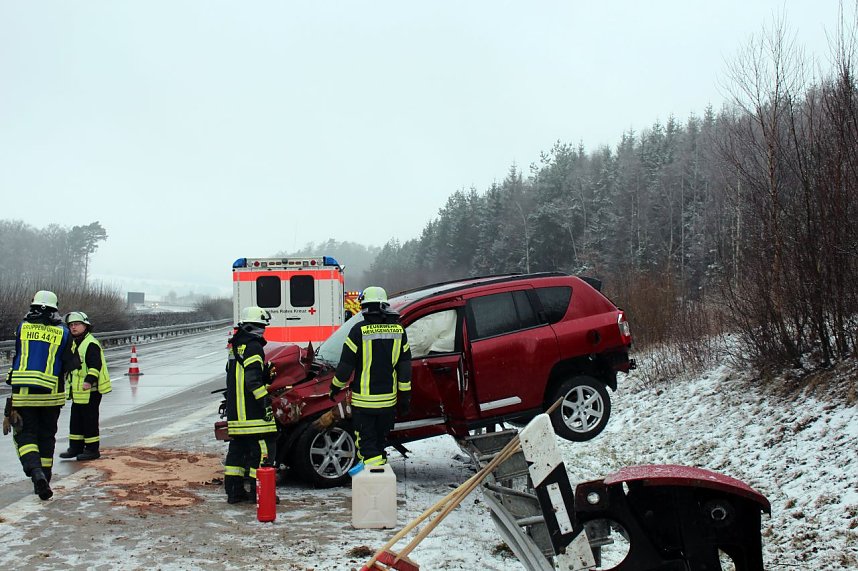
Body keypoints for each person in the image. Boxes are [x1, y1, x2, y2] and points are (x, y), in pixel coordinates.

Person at [328, 286, 412, 473]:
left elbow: (345, 366)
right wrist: (405, 396)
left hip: (364, 403)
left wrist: (335, 387)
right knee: (379, 442)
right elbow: (405, 366)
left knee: (367, 445)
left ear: (365, 307)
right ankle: (378, 474)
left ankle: (373, 484)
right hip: (388, 403)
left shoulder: (358, 330)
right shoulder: (399, 331)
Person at [4, 290, 73, 500]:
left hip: (24, 394)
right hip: (52, 396)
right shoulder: (63, 333)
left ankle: (36, 474)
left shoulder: (22, 328)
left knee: (25, 436)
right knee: (46, 437)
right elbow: (68, 363)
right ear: (55, 310)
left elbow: (20, 357)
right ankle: (46, 477)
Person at [223, 306, 277, 504]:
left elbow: (236, 375)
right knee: (262, 451)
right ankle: (259, 493)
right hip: (253, 414)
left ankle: (234, 493)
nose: (264, 331)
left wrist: (264, 373)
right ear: (258, 326)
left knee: (237, 453)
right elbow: (252, 381)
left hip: (236, 413)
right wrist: (264, 400)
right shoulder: (254, 346)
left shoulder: (235, 346)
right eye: (263, 327)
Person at [59, 311, 112, 461]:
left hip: (91, 391)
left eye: (76, 324)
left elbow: (95, 366)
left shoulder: (91, 343)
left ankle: (92, 450)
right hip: (78, 391)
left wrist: (89, 381)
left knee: (89, 420)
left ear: (85, 326)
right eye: (71, 325)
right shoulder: (74, 343)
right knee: (75, 420)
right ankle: (75, 448)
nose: (73, 327)